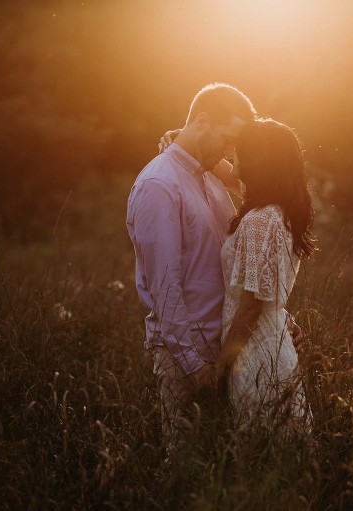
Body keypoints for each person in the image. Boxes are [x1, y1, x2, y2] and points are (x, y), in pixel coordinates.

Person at [126, 83, 257, 460]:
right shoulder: (158, 185)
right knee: (187, 467)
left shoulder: (212, 176)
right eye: (228, 138)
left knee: (229, 468)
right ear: (202, 121)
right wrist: (194, 366)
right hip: (190, 355)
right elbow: (165, 289)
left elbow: (235, 264)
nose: (231, 151)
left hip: (228, 349)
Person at [215, 118, 316, 432]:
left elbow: (251, 305)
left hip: (255, 354)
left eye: (240, 153)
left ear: (257, 160)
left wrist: (220, 368)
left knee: (258, 450)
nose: (233, 162)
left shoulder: (260, 220)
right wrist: (181, 140)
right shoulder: (278, 212)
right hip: (272, 344)